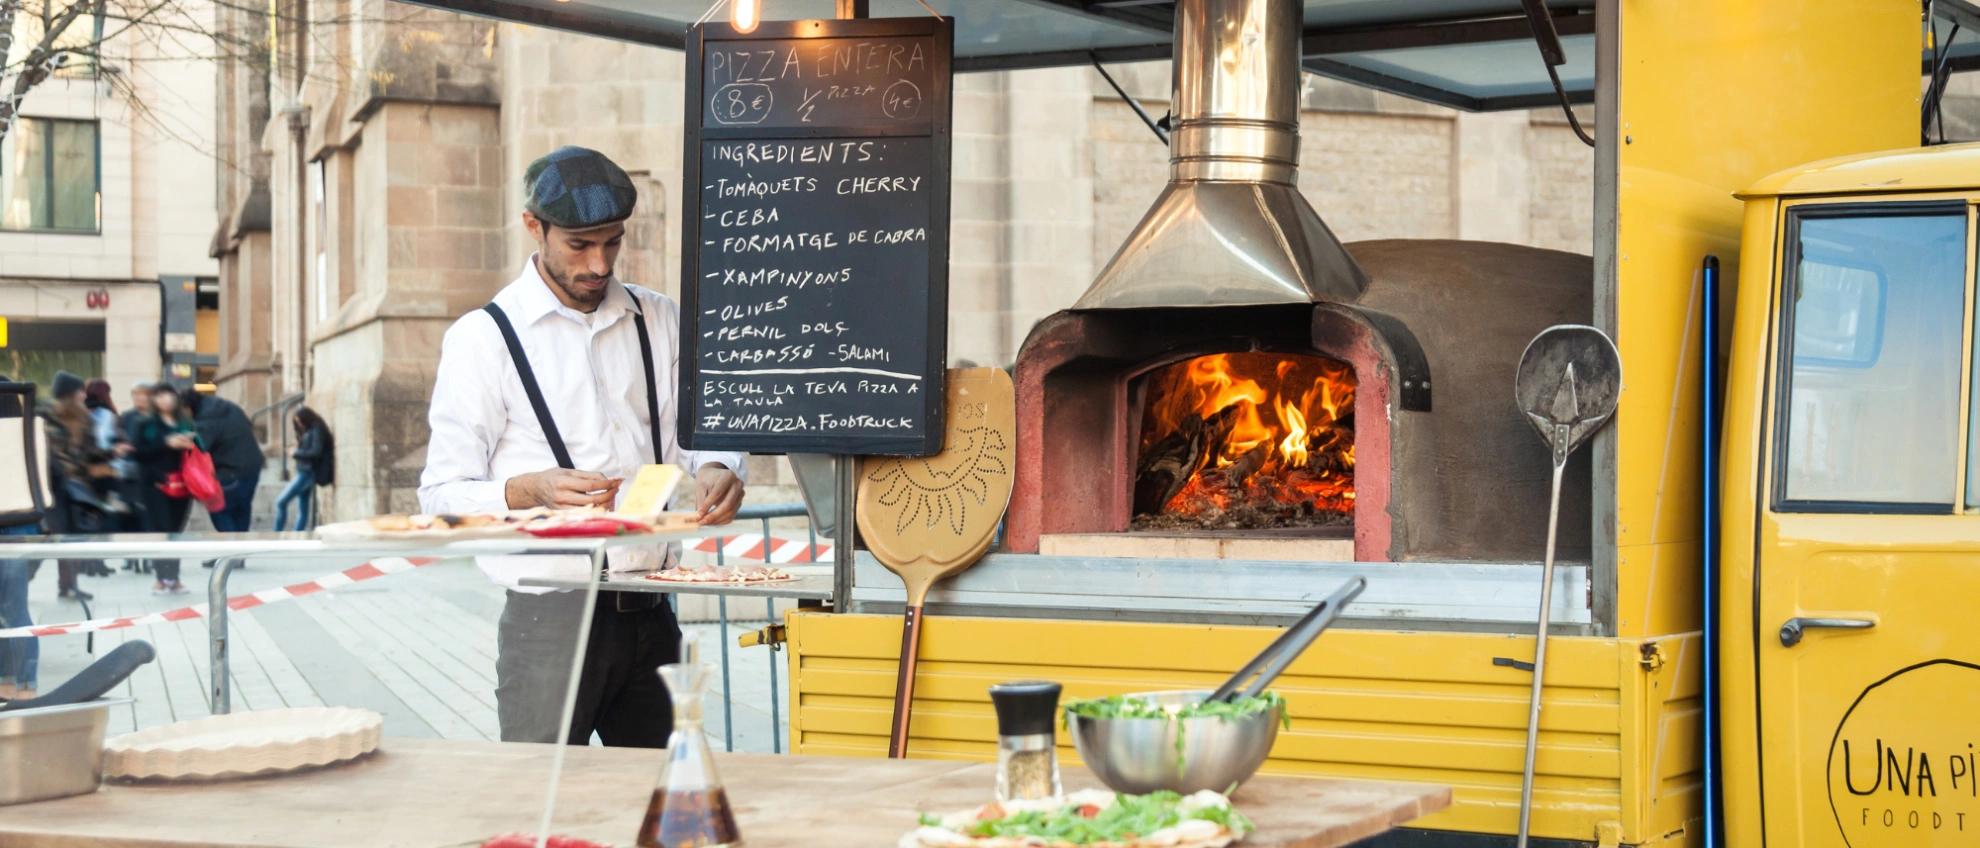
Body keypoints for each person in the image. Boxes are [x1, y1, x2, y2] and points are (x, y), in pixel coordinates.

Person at [420, 146, 745, 748]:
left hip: (651, 609)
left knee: (663, 807)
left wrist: (720, 465)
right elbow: (439, 496)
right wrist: (526, 489)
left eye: (613, 242)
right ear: (532, 228)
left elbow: (702, 430)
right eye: (579, 245)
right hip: (548, 622)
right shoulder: (483, 339)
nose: (599, 263)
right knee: (542, 811)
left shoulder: (660, 318)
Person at [43, 372, 114, 600]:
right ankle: (10, 590)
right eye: (79, 391)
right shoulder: (46, 418)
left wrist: (112, 453)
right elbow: (53, 456)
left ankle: (69, 585)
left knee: (77, 537)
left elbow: (92, 452)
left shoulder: (85, 420)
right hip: (54, 491)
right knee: (51, 540)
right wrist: (78, 471)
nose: (84, 395)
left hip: (79, 490)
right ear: (69, 395)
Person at [132, 384, 199, 593]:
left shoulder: (185, 422)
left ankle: (174, 578)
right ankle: (162, 578)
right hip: (156, 485)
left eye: (168, 395)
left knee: (176, 532)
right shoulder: (147, 424)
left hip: (182, 484)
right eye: (159, 396)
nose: (164, 400)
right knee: (161, 531)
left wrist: (191, 443)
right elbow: (139, 453)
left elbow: (201, 449)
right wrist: (166, 443)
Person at [187, 390, 260, 532]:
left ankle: (232, 550)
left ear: (187, 407)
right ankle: (240, 550)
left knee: (221, 512)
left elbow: (199, 445)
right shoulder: (226, 406)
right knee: (241, 513)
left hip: (229, 471)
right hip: (252, 467)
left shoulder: (206, 417)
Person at [274, 407, 332, 531]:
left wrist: (296, 453)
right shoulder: (310, 431)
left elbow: (316, 451)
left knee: (281, 502)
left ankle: (277, 533)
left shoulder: (316, 430)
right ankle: (298, 534)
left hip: (307, 473)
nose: (299, 425)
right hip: (304, 471)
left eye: (300, 422)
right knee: (303, 508)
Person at [116, 383, 154, 562]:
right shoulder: (127, 417)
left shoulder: (156, 417)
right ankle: (131, 556)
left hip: (149, 473)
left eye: (143, 395)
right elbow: (119, 438)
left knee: (148, 516)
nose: (139, 399)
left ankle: (147, 555)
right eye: (136, 395)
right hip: (130, 473)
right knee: (132, 514)